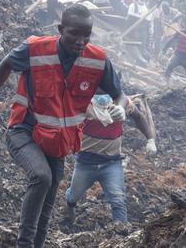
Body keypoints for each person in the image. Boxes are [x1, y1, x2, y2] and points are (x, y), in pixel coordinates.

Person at [0, 4, 127, 248]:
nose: (81, 40)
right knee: (41, 177)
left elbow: (119, 93)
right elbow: (6, 64)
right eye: (74, 33)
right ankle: (24, 244)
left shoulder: (97, 60)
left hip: (57, 142)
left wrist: (120, 107)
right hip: (24, 130)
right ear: (60, 29)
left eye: (86, 34)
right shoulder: (35, 49)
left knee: (48, 201)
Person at [65, 94, 156, 223]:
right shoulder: (83, 102)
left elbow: (138, 117)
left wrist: (150, 140)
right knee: (73, 197)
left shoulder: (121, 104)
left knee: (118, 200)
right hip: (85, 164)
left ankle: (121, 235)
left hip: (111, 163)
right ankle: (69, 207)